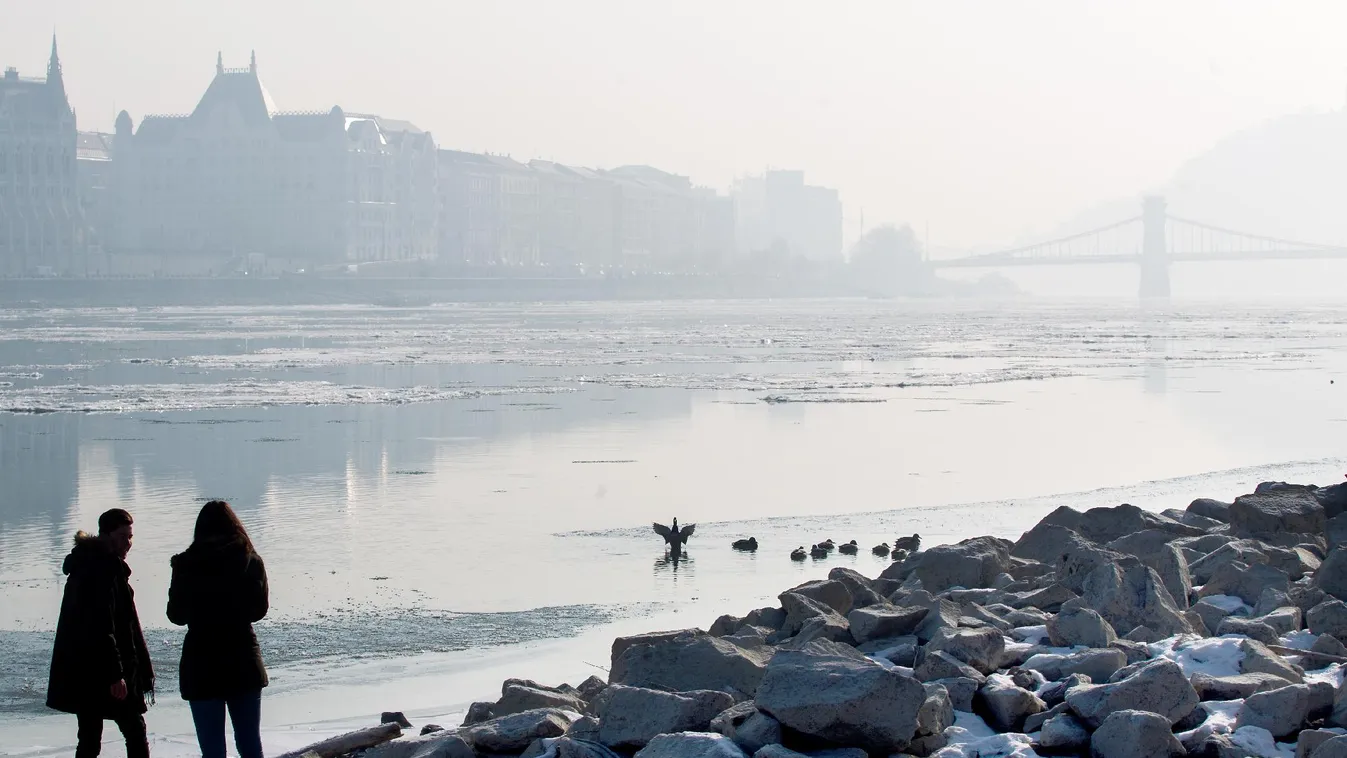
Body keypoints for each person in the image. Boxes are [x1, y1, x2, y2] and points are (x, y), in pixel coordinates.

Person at [47, 508, 155, 758]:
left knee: (89, 737)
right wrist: (116, 674)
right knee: (134, 732)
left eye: (130, 536)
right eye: (122, 536)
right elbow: (103, 626)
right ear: (106, 535)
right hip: (104, 672)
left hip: (84, 671)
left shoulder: (87, 565)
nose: (128, 543)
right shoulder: (103, 570)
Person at [167, 500, 269, 758]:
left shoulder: (185, 564)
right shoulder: (250, 561)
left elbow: (176, 616)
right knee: (250, 745)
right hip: (242, 658)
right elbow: (258, 611)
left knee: (212, 750)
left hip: (200, 662)